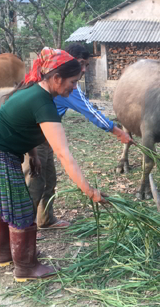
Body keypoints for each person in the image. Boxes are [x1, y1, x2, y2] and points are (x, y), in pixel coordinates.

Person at [0, 48, 109, 281]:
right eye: (73, 82)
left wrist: (33, 153)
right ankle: (26, 267)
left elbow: (21, 125)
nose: (75, 87)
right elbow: (64, 154)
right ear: (56, 78)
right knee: (21, 206)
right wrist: (88, 190)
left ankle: (6, 256)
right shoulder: (44, 103)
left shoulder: (35, 92)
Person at [22, 44, 132, 230]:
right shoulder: (57, 87)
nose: (83, 70)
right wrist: (118, 131)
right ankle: (26, 227)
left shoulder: (52, 81)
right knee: (34, 182)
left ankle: (44, 219)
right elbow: (89, 111)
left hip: (45, 138)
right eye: (80, 64)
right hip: (34, 138)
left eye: (86, 65)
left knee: (49, 180)